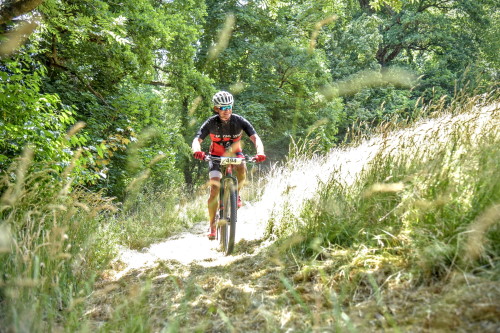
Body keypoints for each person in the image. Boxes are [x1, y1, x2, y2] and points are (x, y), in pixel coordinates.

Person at [192, 91, 266, 240]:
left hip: (235, 154)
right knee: (214, 190)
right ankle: (212, 224)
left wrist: (260, 152)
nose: (226, 111)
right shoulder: (211, 122)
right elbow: (197, 139)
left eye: (229, 107)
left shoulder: (239, 121)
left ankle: (236, 194)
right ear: (216, 109)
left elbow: (255, 137)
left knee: (242, 166)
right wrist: (197, 151)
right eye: (223, 107)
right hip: (216, 156)